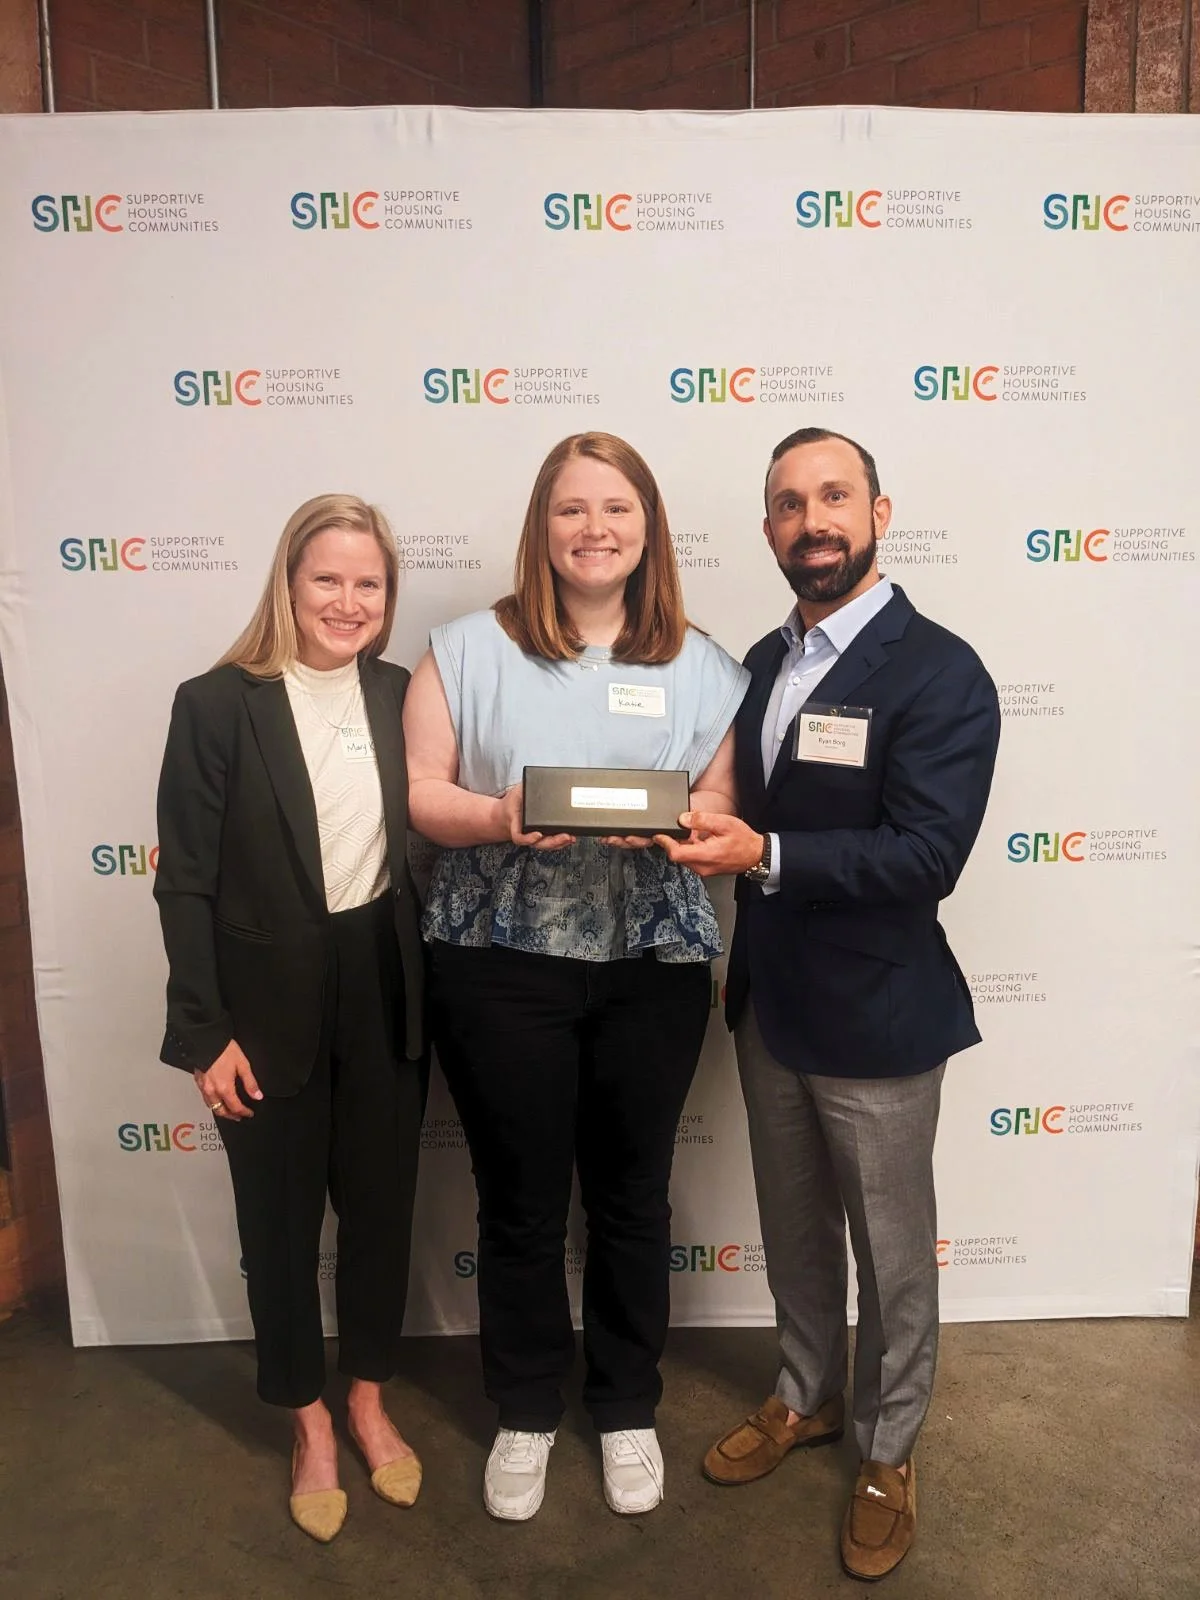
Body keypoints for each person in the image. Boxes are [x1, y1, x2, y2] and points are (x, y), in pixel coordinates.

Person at [658, 428, 1000, 1581]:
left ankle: (889, 1447)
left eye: (836, 496)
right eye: (791, 504)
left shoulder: (940, 669)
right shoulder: (758, 657)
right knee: (797, 1234)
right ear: (768, 531)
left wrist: (765, 851)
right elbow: (729, 806)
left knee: (892, 1254)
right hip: (771, 1007)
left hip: (881, 1019)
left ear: (879, 511)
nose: (815, 520)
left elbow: (926, 854)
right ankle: (803, 1392)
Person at [403, 432, 748, 1521]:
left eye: (616, 508)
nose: (593, 529)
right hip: (501, 960)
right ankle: (523, 1409)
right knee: (519, 1199)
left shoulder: (703, 663)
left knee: (634, 1197)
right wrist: (501, 815)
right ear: (540, 527)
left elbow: (724, 808)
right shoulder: (464, 648)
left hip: (649, 961)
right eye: (570, 509)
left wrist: (692, 829)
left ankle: (627, 1405)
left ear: (649, 527)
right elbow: (421, 792)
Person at [154, 494, 428, 1543]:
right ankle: (307, 1418)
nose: (347, 601)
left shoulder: (402, 695)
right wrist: (201, 1029)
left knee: (381, 1213)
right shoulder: (216, 702)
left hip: (387, 989)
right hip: (261, 1009)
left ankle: (365, 1396)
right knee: (277, 1229)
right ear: (289, 582)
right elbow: (183, 882)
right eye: (328, 578)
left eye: (368, 583)